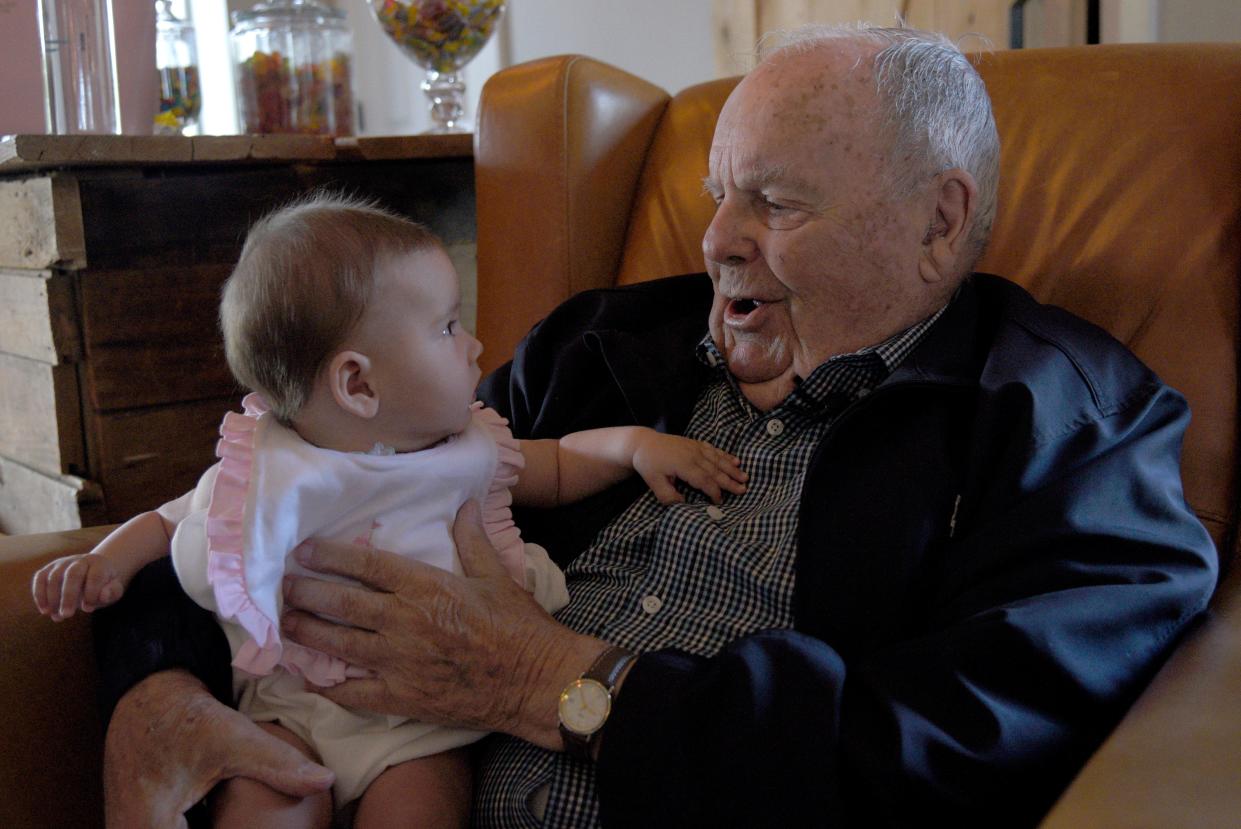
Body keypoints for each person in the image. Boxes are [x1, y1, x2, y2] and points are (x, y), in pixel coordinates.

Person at [93, 24, 1218, 829]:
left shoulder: (1067, 427)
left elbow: (959, 750)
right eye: (719, 192)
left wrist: (559, 683)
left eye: (773, 203)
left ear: (937, 220)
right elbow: (274, 493)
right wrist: (157, 696)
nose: (715, 240)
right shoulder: (603, 346)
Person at [33, 195, 747, 828]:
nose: (472, 345)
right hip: (292, 710)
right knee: (270, 796)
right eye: (446, 327)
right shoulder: (275, 467)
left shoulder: (463, 447)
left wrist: (632, 446)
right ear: (357, 384)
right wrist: (105, 564)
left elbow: (555, 463)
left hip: (424, 728)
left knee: (420, 805)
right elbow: (169, 522)